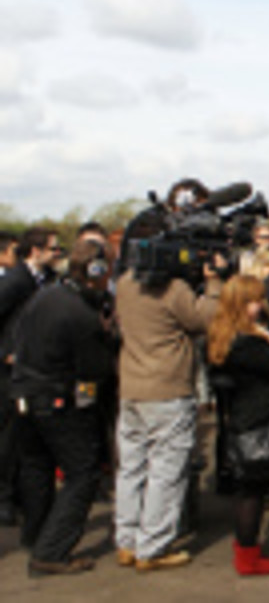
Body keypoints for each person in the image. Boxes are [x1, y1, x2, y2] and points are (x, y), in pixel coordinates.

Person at [113, 227, 225, 571]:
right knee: (166, 470)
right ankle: (154, 547)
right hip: (167, 391)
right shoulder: (173, 290)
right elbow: (206, 319)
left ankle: (127, 541)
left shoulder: (125, 284)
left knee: (131, 467)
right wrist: (214, 283)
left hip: (131, 389)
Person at [11, 239, 116, 576]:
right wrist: (109, 338)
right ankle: (52, 552)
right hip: (58, 399)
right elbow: (96, 368)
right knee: (82, 473)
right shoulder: (79, 314)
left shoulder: (45, 295)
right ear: (96, 272)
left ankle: (36, 537)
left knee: (36, 468)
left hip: (25, 393)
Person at [207, 275, 269, 574]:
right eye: (255, 301)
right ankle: (247, 556)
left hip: (244, 414)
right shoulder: (245, 342)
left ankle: (246, 550)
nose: (260, 306)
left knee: (250, 489)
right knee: (253, 490)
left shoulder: (226, 334)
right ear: (242, 304)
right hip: (257, 415)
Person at [0, 227, 61, 527]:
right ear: (36, 251)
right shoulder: (15, 282)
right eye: (53, 249)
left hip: (32, 368)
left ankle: (23, 498)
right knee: (9, 438)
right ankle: (4, 499)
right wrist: (5, 352)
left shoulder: (46, 280)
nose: (58, 254)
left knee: (25, 438)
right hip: (10, 371)